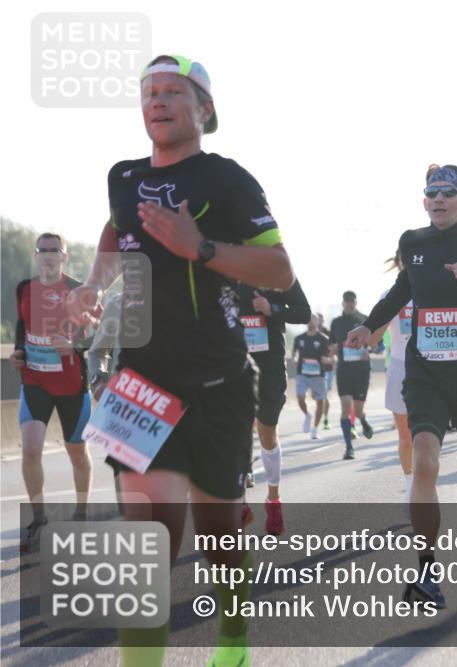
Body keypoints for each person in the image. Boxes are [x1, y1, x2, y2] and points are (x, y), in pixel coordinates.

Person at [65, 54, 294, 667]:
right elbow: (118, 230)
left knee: (219, 540)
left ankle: (234, 639)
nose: (157, 102)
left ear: (204, 109)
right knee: (146, 540)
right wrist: (94, 284)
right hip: (139, 384)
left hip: (218, 384)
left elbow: (279, 270)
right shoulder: (123, 175)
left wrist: (201, 247)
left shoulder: (228, 179)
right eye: (149, 92)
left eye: (172, 92)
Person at [345, 163, 457, 609]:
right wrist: (369, 326)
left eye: (449, 192)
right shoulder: (413, 243)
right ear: (425, 201)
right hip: (425, 372)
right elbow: (402, 290)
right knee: (424, 462)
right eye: (432, 192)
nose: (439, 199)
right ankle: (426, 569)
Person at [10, 232, 94, 551]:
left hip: (73, 384)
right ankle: (39, 518)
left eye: (53, 250)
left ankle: (82, 513)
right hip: (35, 382)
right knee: (31, 449)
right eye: (42, 250)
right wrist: (18, 353)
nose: (47, 255)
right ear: (36, 256)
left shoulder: (78, 291)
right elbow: (22, 327)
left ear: (64, 256)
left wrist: (75, 345)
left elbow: (93, 335)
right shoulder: (25, 289)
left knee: (77, 452)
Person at [239, 279, 311, 534]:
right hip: (230, 359)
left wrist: (272, 309)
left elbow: (304, 312)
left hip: (268, 363)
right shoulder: (218, 260)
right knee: (235, 429)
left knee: (267, 431)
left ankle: (273, 499)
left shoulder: (275, 267)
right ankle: (240, 504)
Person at [368, 251, 414, 518]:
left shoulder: (430, 291)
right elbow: (374, 338)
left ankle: (423, 489)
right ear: (399, 263)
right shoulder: (389, 295)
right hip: (399, 365)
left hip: (428, 368)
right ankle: (410, 487)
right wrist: (366, 333)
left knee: (427, 437)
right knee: (406, 436)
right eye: (403, 260)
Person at [330, 291, 374, 459]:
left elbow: (376, 343)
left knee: (358, 408)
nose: (349, 304)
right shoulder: (336, 322)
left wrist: (368, 350)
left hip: (361, 369)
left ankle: (363, 420)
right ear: (343, 303)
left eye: (352, 301)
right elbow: (332, 343)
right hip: (344, 369)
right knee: (346, 405)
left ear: (356, 302)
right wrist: (332, 349)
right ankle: (349, 447)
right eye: (346, 301)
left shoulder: (365, 320)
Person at [292, 315, 330, 440]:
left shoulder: (324, 339)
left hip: (318, 375)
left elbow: (332, 357)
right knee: (300, 397)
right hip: (302, 373)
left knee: (320, 401)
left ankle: (315, 429)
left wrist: (327, 359)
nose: (310, 321)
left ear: (318, 322)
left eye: (313, 319)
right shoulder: (299, 338)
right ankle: (307, 415)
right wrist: (295, 359)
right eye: (308, 319)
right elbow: (294, 353)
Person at [316, 312, 336, 429]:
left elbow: (334, 349)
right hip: (312, 371)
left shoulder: (327, 333)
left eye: (319, 319)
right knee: (317, 397)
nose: (316, 321)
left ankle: (325, 419)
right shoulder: (308, 334)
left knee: (323, 395)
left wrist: (330, 359)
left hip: (327, 370)